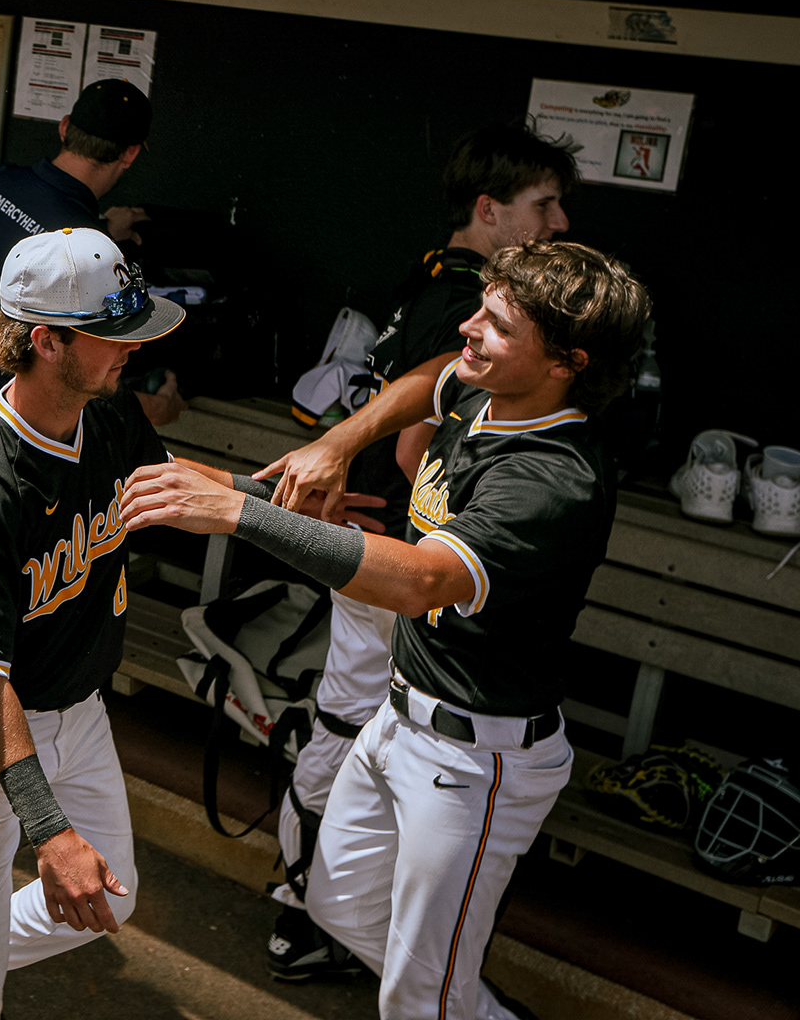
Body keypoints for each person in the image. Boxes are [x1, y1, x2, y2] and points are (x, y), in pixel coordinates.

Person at [118, 241, 651, 1020]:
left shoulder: (553, 476)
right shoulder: (485, 389)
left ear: (566, 362)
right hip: (400, 719)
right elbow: (427, 376)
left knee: (418, 997)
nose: (469, 327)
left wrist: (240, 508)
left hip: (478, 759)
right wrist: (337, 442)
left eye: (498, 324)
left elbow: (423, 581)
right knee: (337, 906)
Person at [266, 118, 579, 980]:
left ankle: (321, 911)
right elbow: (417, 453)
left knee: (354, 727)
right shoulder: (471, 299)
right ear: (489, 208)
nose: (557, 221)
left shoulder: (435, 280)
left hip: (373, 550)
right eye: (541, 204)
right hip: (387, 555)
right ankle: (304, 910)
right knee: (349, 727)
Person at [0, 227, 200, 1020]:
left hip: (81, 711)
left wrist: (277, 502)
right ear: (45, 340)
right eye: (110, 336)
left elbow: (178, 489)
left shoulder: (108, 416)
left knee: (116, 895)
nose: (129, 351)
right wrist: (49, 831)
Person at [0, 80, 180, 480]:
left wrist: (100, 229)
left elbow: (36, 232)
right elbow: (81, 378)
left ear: (65, 127)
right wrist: (159, 408)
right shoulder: (80, 245)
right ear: (130, 153)